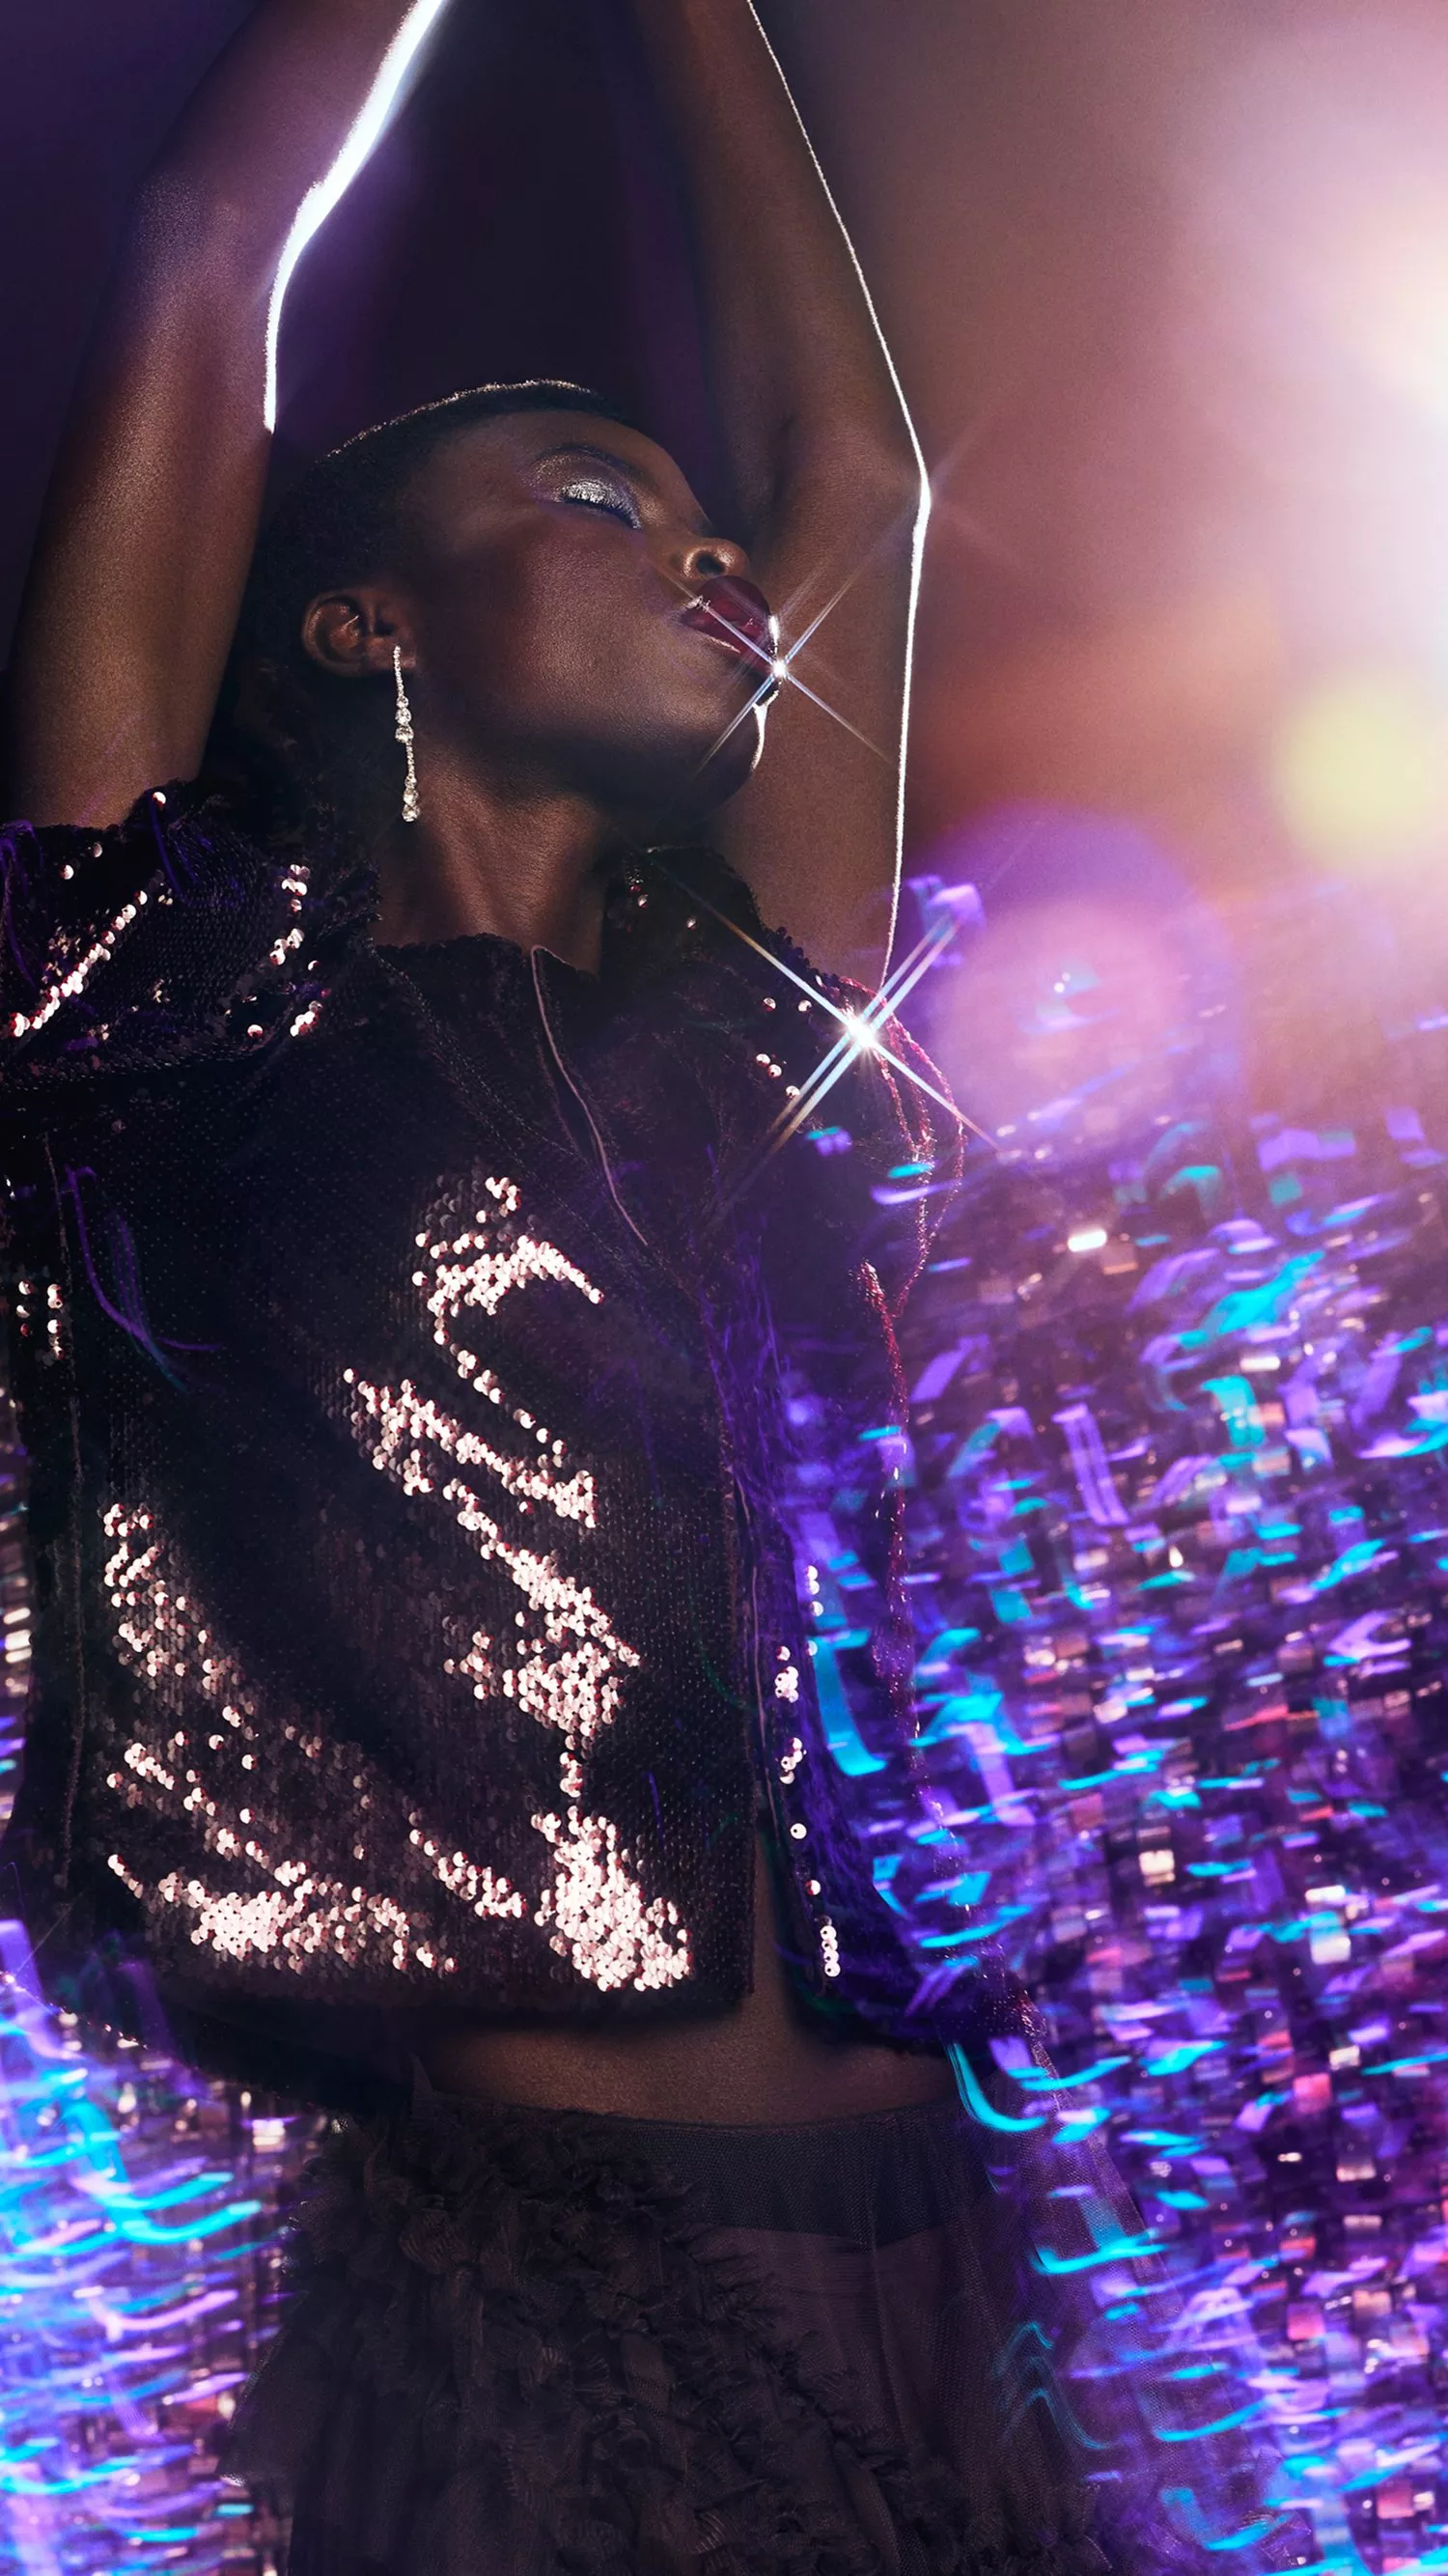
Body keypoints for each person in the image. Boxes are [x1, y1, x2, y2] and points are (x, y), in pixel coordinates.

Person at [0, 6, 1310, 2572]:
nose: (716, 562)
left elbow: (865, 477)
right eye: (603, 500)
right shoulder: (177, 994)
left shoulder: (764, 1033)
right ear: (368, 619)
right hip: (528, 2267)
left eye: (705, 537)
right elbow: (205, 241)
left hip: (945, 2259)